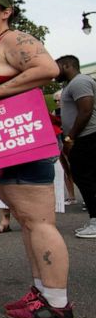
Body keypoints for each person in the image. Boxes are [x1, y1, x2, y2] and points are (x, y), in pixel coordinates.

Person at [0, 0, 73, 318]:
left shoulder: (14, 39)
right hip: (7, 144)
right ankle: (42, 290)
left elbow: (47, 68)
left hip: (23, 142)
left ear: (7, 12)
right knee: (28, 221)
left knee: (39, 221)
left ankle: (57, 301)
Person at [55, 55, 95, 239]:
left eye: (57, 67)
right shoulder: (71, 85)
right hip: (83, 138)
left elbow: (85, 110)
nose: (54, 72)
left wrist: (71, 137)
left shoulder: (80, 82)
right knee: (84, 177)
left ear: (67, 65)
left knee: (85, 178)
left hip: (87, 137)